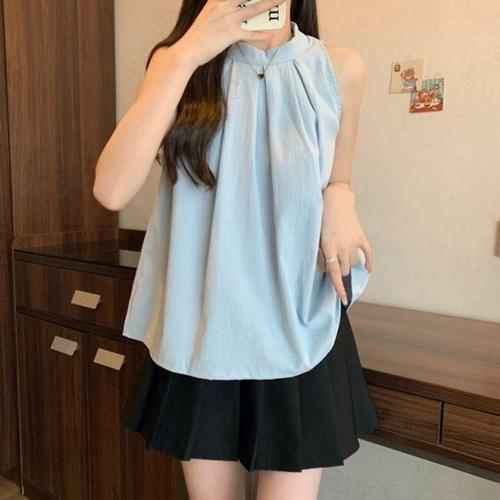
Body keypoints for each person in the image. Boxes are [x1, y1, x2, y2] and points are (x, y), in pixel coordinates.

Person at [93, 0, 380, 498]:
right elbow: (111, 189)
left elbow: (340, 176)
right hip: (204, 327)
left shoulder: (340, 67)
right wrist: (188, 53)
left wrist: (341, 197)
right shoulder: (178, 63)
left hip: (298, 326)